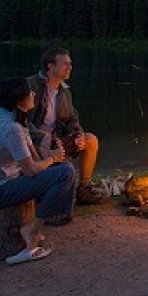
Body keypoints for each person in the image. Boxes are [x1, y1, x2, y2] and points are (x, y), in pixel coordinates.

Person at [0, 77, 75, 265]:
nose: (34, 94)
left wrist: (52, 155)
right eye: (30, 92)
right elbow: (31, 171)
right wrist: (52, 159)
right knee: (65, 172)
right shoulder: (10, 128)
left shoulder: (14, 120)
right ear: (20, 101)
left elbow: (35, 160)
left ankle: (55, 216)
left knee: (62, 168)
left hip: (5, 180)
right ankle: (32, 231)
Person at [27, 47, 105, 206]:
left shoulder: (64, 92)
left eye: (70, 64)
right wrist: (44, 138)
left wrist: (78, 134)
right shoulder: (31, 86)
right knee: (63, 163)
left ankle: (84, 189)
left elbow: (72, 118)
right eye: (65, 64)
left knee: (90, 140)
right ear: (50, 66)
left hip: (57, 139)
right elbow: (21, 121)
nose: (70, 68)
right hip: (33, 141)